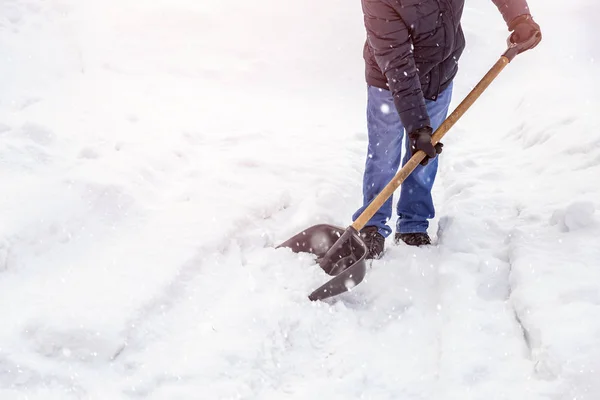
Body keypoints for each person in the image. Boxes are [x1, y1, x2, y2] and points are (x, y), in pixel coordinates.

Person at [353, 0, 541, 259]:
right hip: (390, 83)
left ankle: (413, 224)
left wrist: (519, 18)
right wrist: (418, 126)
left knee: (424, 157)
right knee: (384, 155)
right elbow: (397, 63)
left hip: (440, 75)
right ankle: (371, 226)